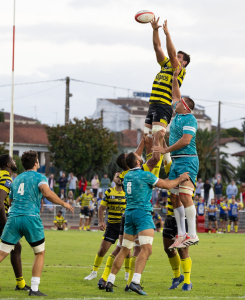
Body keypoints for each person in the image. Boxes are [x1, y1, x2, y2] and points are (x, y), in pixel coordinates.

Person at [105, 152, 189, 295]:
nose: (141, 158)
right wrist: (181, 178)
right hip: (142, 214)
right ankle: (135, 282)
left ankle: (110, 280)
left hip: (129, 214)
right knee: (147, 250)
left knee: (124, 249)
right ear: (138, 162)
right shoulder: (145, 175)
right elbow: (167, 185)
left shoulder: (126, 176)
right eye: (139, 158)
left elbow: (145, 185)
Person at [0, 150, 73, 296]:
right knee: (39, 252)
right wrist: (63, 203)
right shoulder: (39, 177)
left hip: (13, 218)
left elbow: (10, 201)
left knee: (1, 253)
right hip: (30, 217)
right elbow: (46, 193)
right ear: (36, 163)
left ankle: (26, 285)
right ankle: (34, 288)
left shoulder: (17, 178)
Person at [152, 64, 199, 249]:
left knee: (186, 196)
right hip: (178, 162)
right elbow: (175, 93)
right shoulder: (178, 115)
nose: (176, 102)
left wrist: (165, 150)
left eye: (180, 102)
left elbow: (186, 141)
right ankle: (181, 234)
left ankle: (193, 234)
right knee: (174, 198)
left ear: (185, 106)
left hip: (188, 159)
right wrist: (174, 77)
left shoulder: (190, 119)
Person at [144, 16, 189, 160]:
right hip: (152, 104)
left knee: (157, 136)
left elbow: (170, 53)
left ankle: (155, 171)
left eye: (179, 57)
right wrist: (155, 30)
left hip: (163, 105)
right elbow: (157, 47)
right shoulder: (165, 65)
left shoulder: (179, 70)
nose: (176, 57)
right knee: (147, 138)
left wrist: (167, 34)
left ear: (184, 62)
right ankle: (167, 165)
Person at [84, 172, 126, 282]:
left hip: (125, 226)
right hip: (112, 226)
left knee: (127, 251)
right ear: (114, 179)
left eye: (122, 176)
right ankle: (94, 272)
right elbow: (101, 208)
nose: (120, 178)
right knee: (102, 250)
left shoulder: (128, 193)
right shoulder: (108, 192)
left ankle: (127, 274)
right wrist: (101, 221)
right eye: (117, 176)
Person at [0, 154, 29, 291]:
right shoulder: (6, 178)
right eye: (12, 160)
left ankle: (20, 284)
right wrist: (6, 223)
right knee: (15, 246)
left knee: (15, 247)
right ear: (8, 164)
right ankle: (20, 284)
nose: (14, 161)